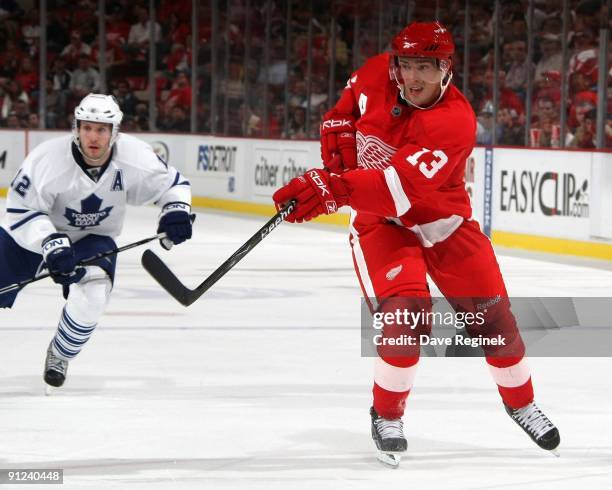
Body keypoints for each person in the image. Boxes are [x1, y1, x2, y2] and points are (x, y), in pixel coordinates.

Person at [272, 22, 560, 465]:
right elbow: (342, 113)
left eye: (424, 67)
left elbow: (395, 189)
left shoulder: (454, 121)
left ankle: (520, 403)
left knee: (496, 320)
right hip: (382, 226)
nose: (413, 78)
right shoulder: (374, 74)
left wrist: (331, 187)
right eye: (406, 65)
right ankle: (387, 415)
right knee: (406, 317)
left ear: (446, 70)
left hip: (443, 222)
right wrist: (339, 136)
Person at [0, 93, 193, 389]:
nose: (93, 136)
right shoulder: (48, 159)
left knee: (94, 293)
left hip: (93, 239)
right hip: (33, 238)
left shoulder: (134, 157)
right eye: (87, 127)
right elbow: (19, 210)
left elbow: (173, 185)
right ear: (76, 128)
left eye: (102, 129)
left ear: (114, 132)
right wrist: (50, 242)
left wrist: (176, 212)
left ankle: (60, 353)